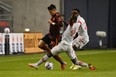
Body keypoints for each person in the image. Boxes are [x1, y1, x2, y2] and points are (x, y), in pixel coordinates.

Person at [28, 8, 96, 70]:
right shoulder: (76, 26)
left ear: (72, 20)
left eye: (71, 18)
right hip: (69, 46)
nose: (69, 18)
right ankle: (88, 65)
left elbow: (70, 22)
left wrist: (73, 15)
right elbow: (69, 25)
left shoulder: (72, 24)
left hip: (63, 45)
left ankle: (36, 64)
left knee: (49, 54)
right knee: (76, 61)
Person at [28, 4, 66, 70]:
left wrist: (52, 23)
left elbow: (61, 24)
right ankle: (51, 53)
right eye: (49, 11)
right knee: (40, 45)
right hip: (49, 35)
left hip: (54, 38)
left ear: (54, 10)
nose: (49, 13)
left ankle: (62, 62)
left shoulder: (57, 16)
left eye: (50, 11)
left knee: (52, 53)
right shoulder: (53, 16)